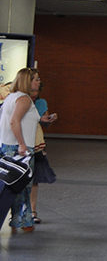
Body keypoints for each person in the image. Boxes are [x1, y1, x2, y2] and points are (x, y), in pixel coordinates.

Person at [0, 68, 53, 232]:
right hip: (19, 149)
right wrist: (22, 144)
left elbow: (25, 119)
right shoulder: (23, 99)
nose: (39, 82)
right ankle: (22, 220)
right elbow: (14, 122)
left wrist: (45, 119)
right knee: (21, 186)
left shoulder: (13, 97)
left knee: (14, 186)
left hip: (10, 146)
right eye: (36, 79)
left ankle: (20, 220)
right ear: (27, 81)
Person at [30, 85, 58, 224]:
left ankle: (32, 211)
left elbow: (44, 122)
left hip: (36, 143)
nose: (35, 93)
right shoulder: (20, 101)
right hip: (22, 143)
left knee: (34, 179)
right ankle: (17, 211)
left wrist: (49, 119)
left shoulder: (41, 103)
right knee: (19, 180)